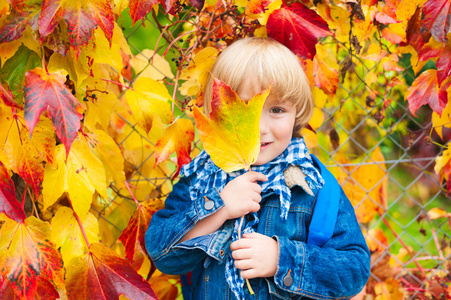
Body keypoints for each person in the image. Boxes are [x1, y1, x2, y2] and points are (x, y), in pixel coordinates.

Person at [145, 37, 370, 300]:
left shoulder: (314, 187)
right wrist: (219, 207)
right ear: (214, 112)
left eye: (276, 109)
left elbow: (354, 270)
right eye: (242, 110)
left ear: (297, 113)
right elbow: (163, 254)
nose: (259, 128)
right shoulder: (200, 180)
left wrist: (281, 258)